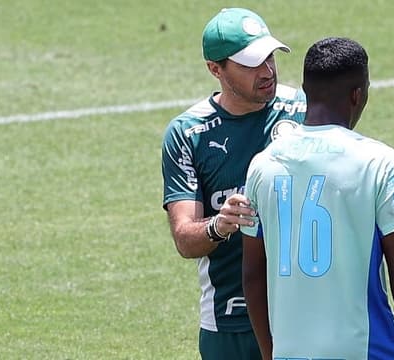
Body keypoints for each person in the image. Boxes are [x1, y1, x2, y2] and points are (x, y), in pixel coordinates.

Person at [241, 37, 394, 360]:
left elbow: (252, 272)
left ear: (305, 91)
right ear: (357, 95)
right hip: (370, 352)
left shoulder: (262, 165)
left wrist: (270, 353)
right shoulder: (377, 162)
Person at [160, 8, 306, 360]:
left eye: (269, 56)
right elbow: (184, 239)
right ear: (215, 69)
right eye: (251, 63)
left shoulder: (303, 109)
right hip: (231, 324)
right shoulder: (188, 135)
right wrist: (219, 225)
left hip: (307, 314)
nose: (268, 70)